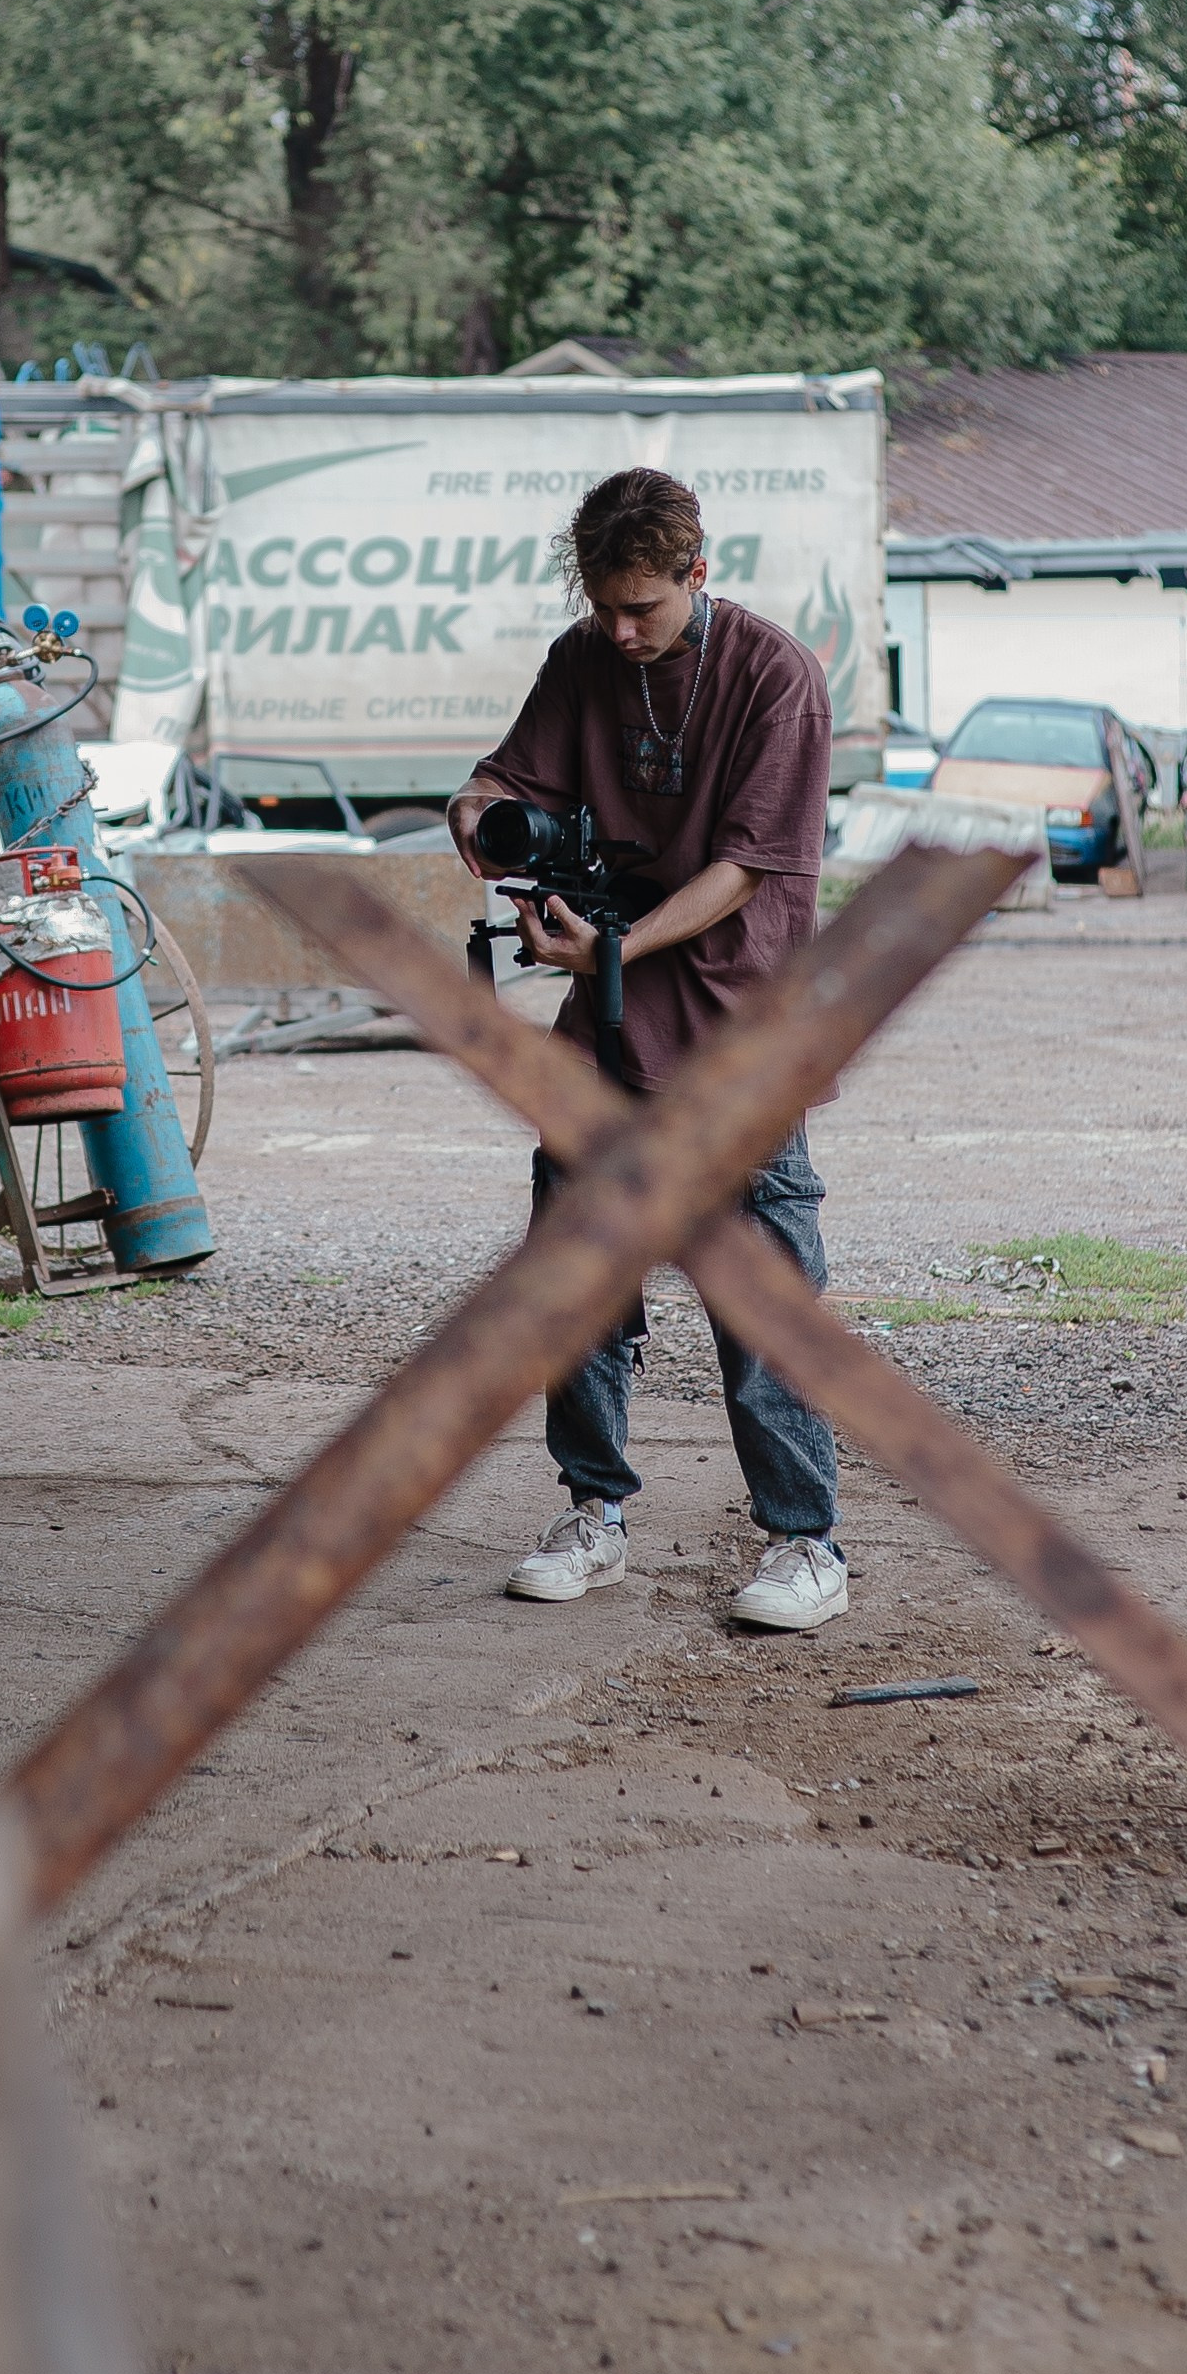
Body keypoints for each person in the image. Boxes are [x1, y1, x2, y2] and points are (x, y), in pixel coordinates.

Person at [447, 467, 848, 1633]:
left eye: (644, 612)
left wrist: (609, 948)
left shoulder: (777, 680)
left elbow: (744, 870)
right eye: (601, 606)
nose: (620, 633)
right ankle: (593, 1513)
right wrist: (476, 808)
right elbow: (509, 773)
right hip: (606, 1032)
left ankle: (803, 1542)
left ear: (697, 573)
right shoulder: (584, 658)